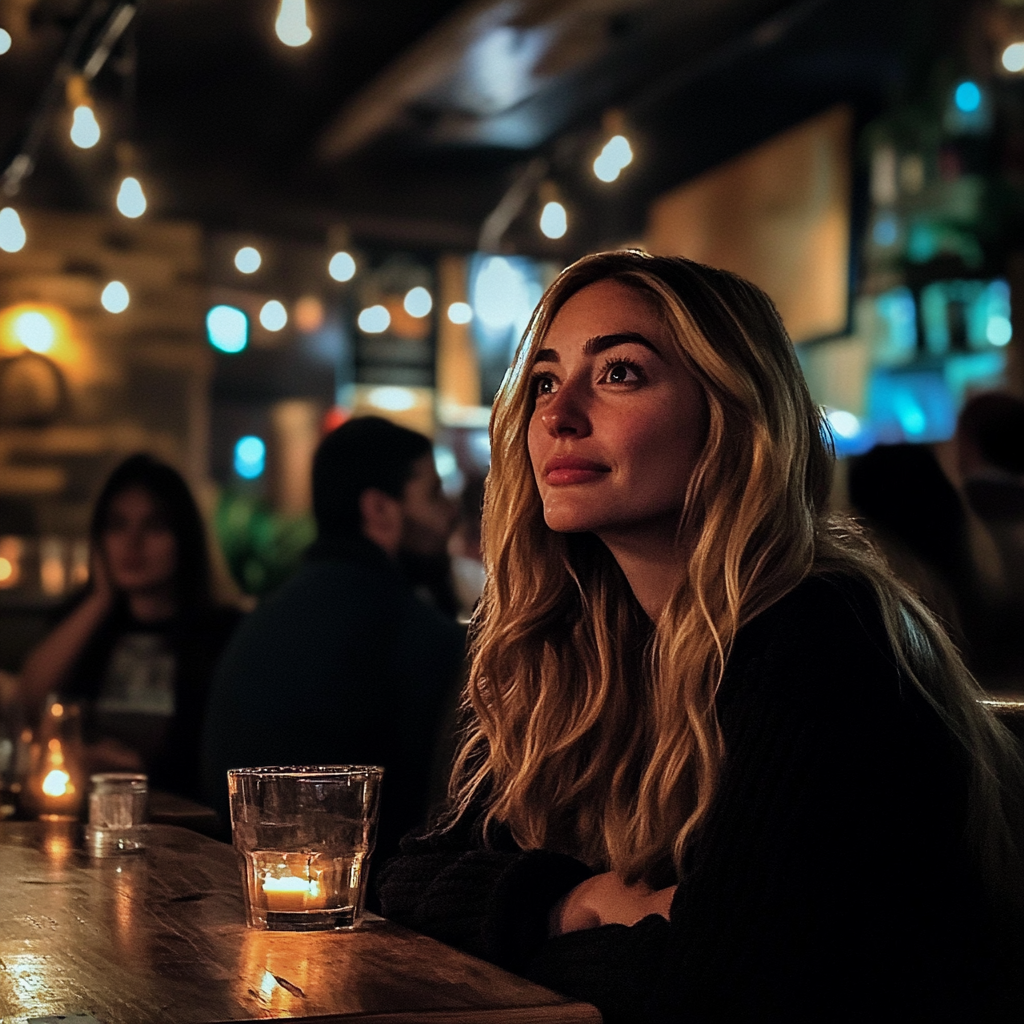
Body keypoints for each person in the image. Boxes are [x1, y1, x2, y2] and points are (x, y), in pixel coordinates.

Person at [378, 251, 1024, 1022]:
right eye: (545, 380)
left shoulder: (823, 631)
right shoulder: (572, 647)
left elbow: (714, 989)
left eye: (619, 373)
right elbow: (405, 880)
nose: (556, 414)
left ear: (733, 415)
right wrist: (574, 902)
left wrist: (514, 935)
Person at [201, 416, 466, 865]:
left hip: (235, 882)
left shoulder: (273, 613)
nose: (448, 515)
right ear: (379, 509)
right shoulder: (410, 631)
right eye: (434, 495)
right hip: (352, 903)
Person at [19, 454, 242, 800]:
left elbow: (225, 751)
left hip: (185, 824)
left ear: (184, 538)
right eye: (117, 525)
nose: (132, 542)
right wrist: (100, 600)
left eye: (154, 526)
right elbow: (30, 699)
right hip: (85, 817)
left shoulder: (222, 633)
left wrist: (140, 768)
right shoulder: (85, 624)